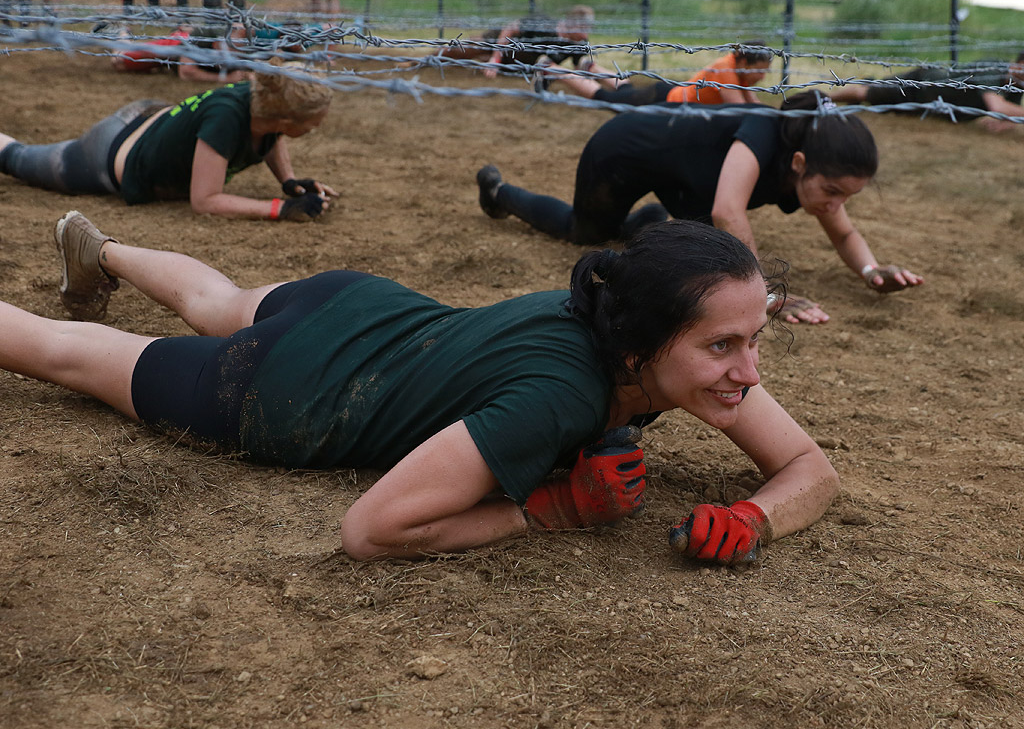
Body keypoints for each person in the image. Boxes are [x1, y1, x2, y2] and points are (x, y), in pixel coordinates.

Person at [0, 212, 840, 564]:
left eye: (753, 338)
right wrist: (549, 509)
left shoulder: (622, 309)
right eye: (723, 345)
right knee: (69, 351)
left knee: (218, 301)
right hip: (289, 390)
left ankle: (102, 252)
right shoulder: (560, 398)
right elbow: (371, 531)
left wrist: (751, 516)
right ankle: (96, 270)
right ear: (641, 348)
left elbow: (808, 466)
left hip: (364, 307)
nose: (749, 370)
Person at [475, 91, 924, 324]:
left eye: (848, 196)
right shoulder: (765, 131)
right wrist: (764, 294)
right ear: (801, 164)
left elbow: (844, 233)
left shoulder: (808, 165)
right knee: (585, 232)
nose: (836, 205)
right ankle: (499, 194)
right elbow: (729, 211)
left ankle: (648, 220)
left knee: (685, 242)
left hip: (684, 180)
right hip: (626, 149)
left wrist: (871, 272)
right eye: (832, 190)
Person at [0, 68, 337, 221]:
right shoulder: (226, 119)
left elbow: (270, 136)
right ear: (287, 120)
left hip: (148, 120)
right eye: (315, 119)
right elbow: (205, 201)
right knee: (19, 158)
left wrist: (288, 181)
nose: (320, 125)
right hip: (107, 154)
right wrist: (280, 208)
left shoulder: (263, 106)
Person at [535, 42, 774, 107]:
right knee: (604, 99)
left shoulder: (737, 67)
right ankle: (551, 68)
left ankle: (590, 68)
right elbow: (739, 108)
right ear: (744, 60)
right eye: (760, 70)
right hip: (664, 101)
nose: (763, 77)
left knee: (626, 90)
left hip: (669, 95)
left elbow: (751, 100)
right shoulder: (726, 70)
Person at [829, 55, 1024, 133]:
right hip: (921, 86)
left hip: (930, 106)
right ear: (1016, 64)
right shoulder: (994, 68)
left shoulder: (1016, 86)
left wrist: (1007, 121)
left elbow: (1007, 115)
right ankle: (824, 98)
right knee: (866, 93)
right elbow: (997, 107)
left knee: (880, 108)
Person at [434, 5, 595, 78]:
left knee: (482, 64)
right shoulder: (544, 23)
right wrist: (495, 58)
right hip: (503, 44)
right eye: (585, 27)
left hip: (519, 66)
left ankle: (483, 61)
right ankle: (427, 59)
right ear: (572, 23)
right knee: (467, 49)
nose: (588, 31)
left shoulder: (580, 44)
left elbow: (580, 67)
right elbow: (509, 29)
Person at [111, 23, 253, 83]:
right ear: (216, 45)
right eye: (235, 49)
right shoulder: (205, 38)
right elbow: (186, 72)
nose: (240, 53)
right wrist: (226, 79)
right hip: (174, 45)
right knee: (120, 61)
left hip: (186, 39)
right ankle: (121, 33)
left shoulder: (246, 42)